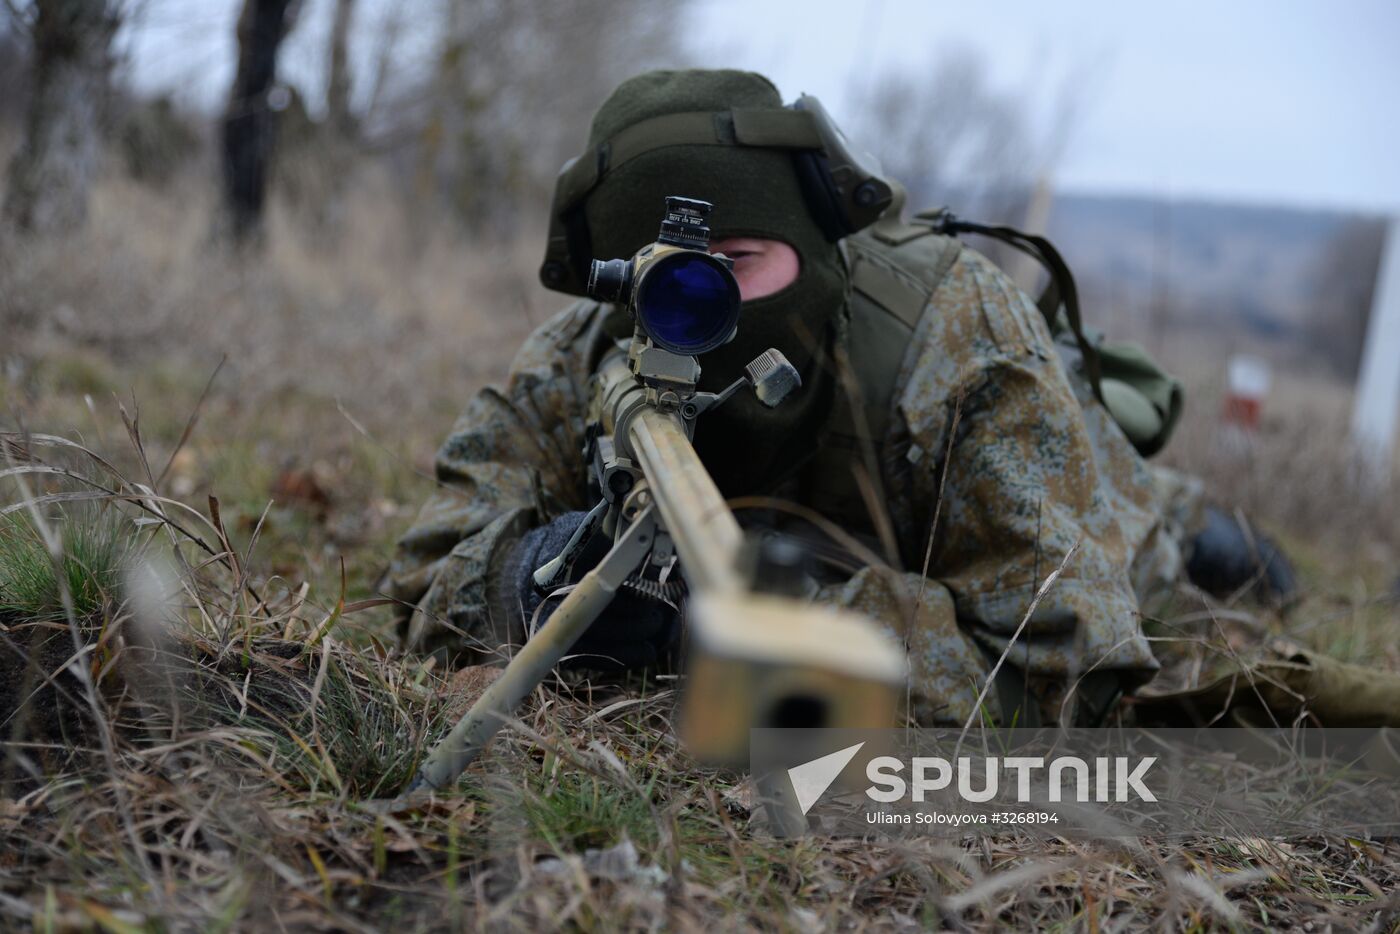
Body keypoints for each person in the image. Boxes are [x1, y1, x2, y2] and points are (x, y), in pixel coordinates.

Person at [385, 69, 1277, 727]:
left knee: (1172, 543)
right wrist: (533, 579)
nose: (701, 311)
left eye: (736, 264)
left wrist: (772, 622)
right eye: (664, 281)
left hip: (1088, 506)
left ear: (810, 245)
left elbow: (1067, 669)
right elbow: (427, 566)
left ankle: (1207, 531)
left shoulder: (956, 337)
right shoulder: (587, 357)